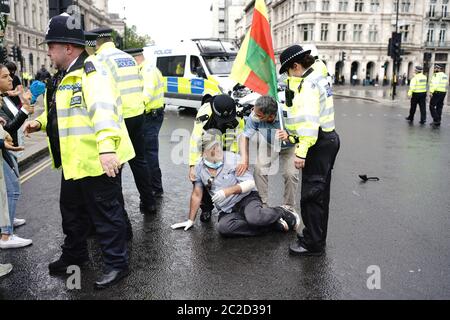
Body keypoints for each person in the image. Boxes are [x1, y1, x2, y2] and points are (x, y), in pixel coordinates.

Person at [23, 14, 135, 289]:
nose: (48, 51)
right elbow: (63, 112)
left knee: (106, 215)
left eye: (51, 46)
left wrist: (108, 149)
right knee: (71, 213)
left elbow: (104, 110)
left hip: (98, 160)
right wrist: (40, 123)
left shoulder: (92, 71)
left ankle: (117, 265)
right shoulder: (64, 75)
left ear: (68, 48)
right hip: (75, 161)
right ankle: (75, 255)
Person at [171, 131, 300, 237]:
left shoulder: (233, 159)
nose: (219, 151)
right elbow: (197, 194)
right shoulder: (199, 168)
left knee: (254, 218)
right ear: (204, 153)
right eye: (213, 149)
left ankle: (281, 212)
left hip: (246, 199)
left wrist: (226, 192)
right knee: (224, 229)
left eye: (219, 147)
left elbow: (250, 184)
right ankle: (271, 225)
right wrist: (190, 220)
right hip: (227, 208)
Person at [277, 45, 340, 256]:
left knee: (312, 197)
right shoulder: (318, 74)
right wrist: (293, 136)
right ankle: (315, 237)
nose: (287, 75)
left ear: (296, 66)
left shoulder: (308, 85)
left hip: (316, 143)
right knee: (319, 195)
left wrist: (301, 151)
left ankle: (313, 244)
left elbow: (310, 122)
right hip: (325, 140)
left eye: (287, 70)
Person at [90, 28, 157, 217]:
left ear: (96, 43)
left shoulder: (100, 59)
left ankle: (119, 213)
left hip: (118, 118)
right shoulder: (128, 57)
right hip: (137, 115)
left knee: (115, 166)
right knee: (140, 161)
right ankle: (149, 202)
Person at [189, 94, 245, 223]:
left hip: (227, 144)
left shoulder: (238, 115)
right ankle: (206, 208)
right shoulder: (204, 114)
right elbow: (195, 140)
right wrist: (193, 165)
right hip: (208, 142)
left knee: (227, 177)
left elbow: (239, 138)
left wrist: (235, 158)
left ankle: (229, 207)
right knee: (203, 178)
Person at [238, 95, 299, 210]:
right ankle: (263, 204)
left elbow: (303, 135)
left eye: (259, 115)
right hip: (269, 143)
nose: (254, 116)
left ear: (270, 116)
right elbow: (244, 137)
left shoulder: (288, 113)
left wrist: (289, 136)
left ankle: (289, 206)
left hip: (289, 145)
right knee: (259, 168)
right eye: (254, 112)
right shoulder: (255, 115)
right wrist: (244, 159)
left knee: (290, 174)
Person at [124, 48, 165, 201]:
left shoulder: (147, 71)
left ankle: (155, 188)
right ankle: (155, 187)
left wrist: (132, 112)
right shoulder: (146, 69)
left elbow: (145, 96)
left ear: (135, 58)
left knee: (149, 154)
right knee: (148, 154)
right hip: (152, 115)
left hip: (150, 116)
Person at [0, 66, 33, 250]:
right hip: (3, 150)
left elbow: (12, 121)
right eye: (5, 77)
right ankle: (6, 235)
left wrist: (24, 103)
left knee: (8, 190)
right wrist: (25, 111)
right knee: (12, 190)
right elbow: (8, 127)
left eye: (9, 75)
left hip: (9, 149)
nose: (11, 79)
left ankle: (8, 221)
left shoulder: (4, 97)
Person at [429, 63, 448, 128]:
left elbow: (435, 84)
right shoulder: (445, 75)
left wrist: (431, 92)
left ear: (439, 69)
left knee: (431, 106)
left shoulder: (436, 75)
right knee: (439, 107)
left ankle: (436, 119)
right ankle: (437, 121)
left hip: (437, 92)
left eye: (436, 68)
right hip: (443, 92)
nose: (435, 69)